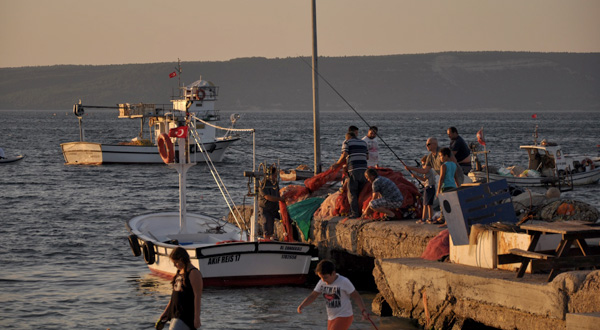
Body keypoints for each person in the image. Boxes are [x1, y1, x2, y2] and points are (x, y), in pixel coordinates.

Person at [297, 260, 369, 330]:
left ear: (333, 273)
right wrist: (302, 305)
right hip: (331, 317)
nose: (323, 280)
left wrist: (363, 310)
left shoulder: (343, 281)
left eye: (325, 277)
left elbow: (356, 296)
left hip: (344, 316)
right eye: (321, 277)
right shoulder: (322, 282)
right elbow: (313, 295)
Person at [159, 247, 203, 330]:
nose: (174, 265)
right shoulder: (179, 272)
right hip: (175, 314)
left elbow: (197, 296)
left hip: (185, 315)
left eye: (176, 262)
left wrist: (197, 317)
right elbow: (174, 295)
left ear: (181, 259)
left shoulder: (193, 273)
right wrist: (166, 312)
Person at [332, 132, 369, 218]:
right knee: (361, 192)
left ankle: (354, 213)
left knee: (352, 193)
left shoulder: (347, 142)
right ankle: (361, 211)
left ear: (348, 137)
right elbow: (367, 157)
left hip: (353, 170)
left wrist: (337, 164)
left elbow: (344, 154)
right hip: (364, 170)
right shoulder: (363, 143)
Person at [408, 156, 436, 224]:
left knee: (425, 204)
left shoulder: (428, 171)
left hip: (428, 188)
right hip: (432, 188)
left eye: (423, 164)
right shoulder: (431, 170)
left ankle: (423, 219)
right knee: (429, 204)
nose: (422, 166)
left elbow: (424, 179)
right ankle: (430, 218)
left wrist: (415, 176)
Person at [259, 166, 284, 240]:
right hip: (266, 208)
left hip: (274, 208)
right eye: (274, 175)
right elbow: (267, 197)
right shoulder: (264, 184)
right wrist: (280, 199)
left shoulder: (275, 183)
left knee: (271, 226)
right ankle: (266, 239)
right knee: (267, 226)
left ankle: (271, 237)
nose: (276, 176)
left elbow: (278, 192)